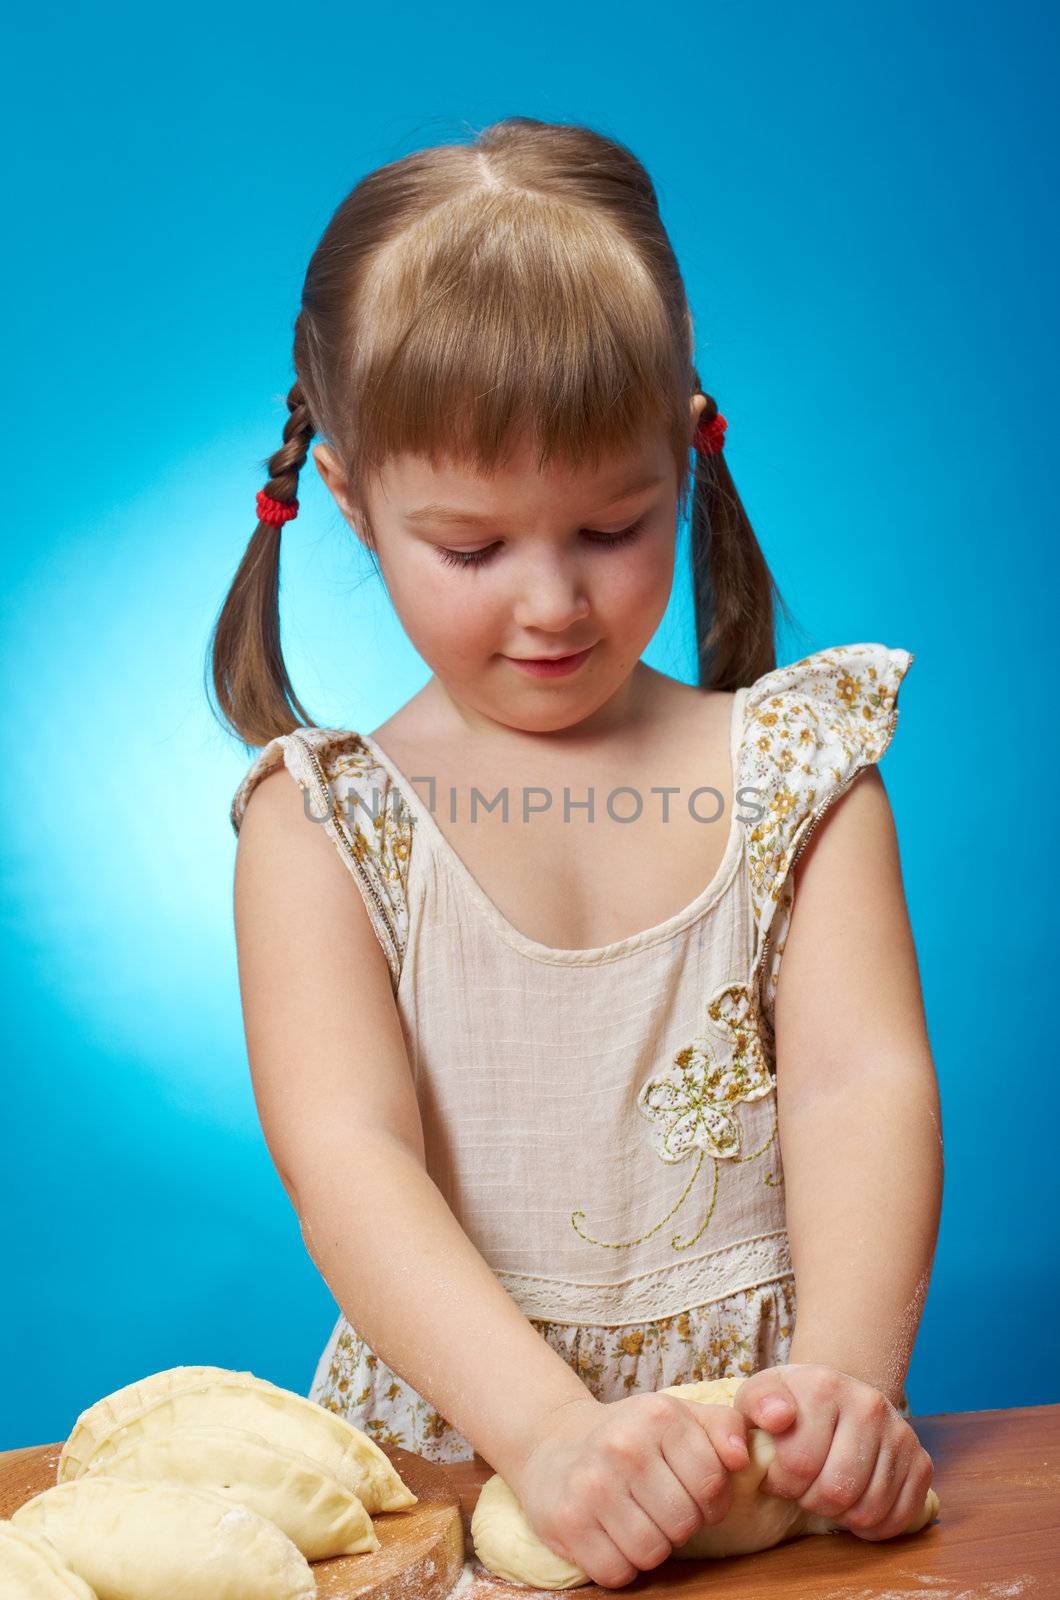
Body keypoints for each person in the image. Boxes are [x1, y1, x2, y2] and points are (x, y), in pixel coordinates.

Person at [212, 116, 942, 1588]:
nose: (550, 604)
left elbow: (864, 1080)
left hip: (759, 1462)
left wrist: (851, 1385)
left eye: (613, 526)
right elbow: (348, 1155)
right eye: (473, 550)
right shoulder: (324, 830)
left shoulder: (799, 778)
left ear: (685, 450)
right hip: (466, 1447)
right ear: (351, 501)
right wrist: (546, 1435)